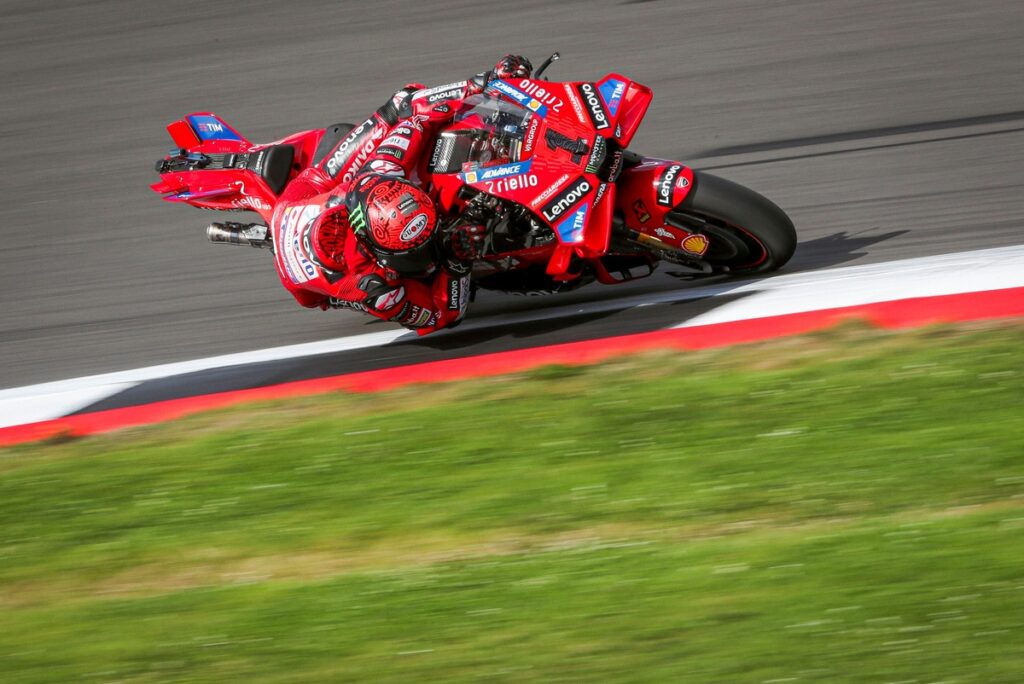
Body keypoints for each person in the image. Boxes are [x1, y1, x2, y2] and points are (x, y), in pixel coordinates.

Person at [270, 55, 533, 334]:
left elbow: (416, 111)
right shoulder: (375, 287)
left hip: (313, 192)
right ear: (384, 256)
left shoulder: (381, 170)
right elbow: (442, 316)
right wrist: (456, 261)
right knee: (323, 298)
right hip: (304, 265)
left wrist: (486, 83)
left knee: (400, 103)